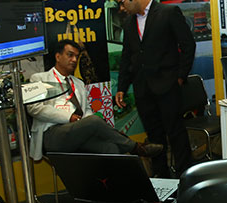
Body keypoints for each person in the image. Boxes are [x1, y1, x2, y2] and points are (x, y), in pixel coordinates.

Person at [27, 39, 162, 161]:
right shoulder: (39, 78)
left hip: (79, 132)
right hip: (52, 134)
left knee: (111, 148)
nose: (74, 60)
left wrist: (86, 123)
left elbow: (86, 110)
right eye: (70, 55)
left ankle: (113, 181)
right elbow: (35, 109)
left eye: (76, 56)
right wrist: (69, 117)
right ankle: (136, 148)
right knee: (94, 121)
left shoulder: (78, 83)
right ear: (58, 56)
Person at [114, 0, 196, 177]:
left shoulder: (168, 13)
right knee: (154, 137)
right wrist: (122, 87)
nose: (121, 8)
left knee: (176, 134)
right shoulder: (129, 23)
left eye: (122, 3)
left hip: (168, 86)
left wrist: (180, 77)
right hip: (143, 89)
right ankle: (162, 178)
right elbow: (127, 57)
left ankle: (186, 176)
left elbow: (188, 45)